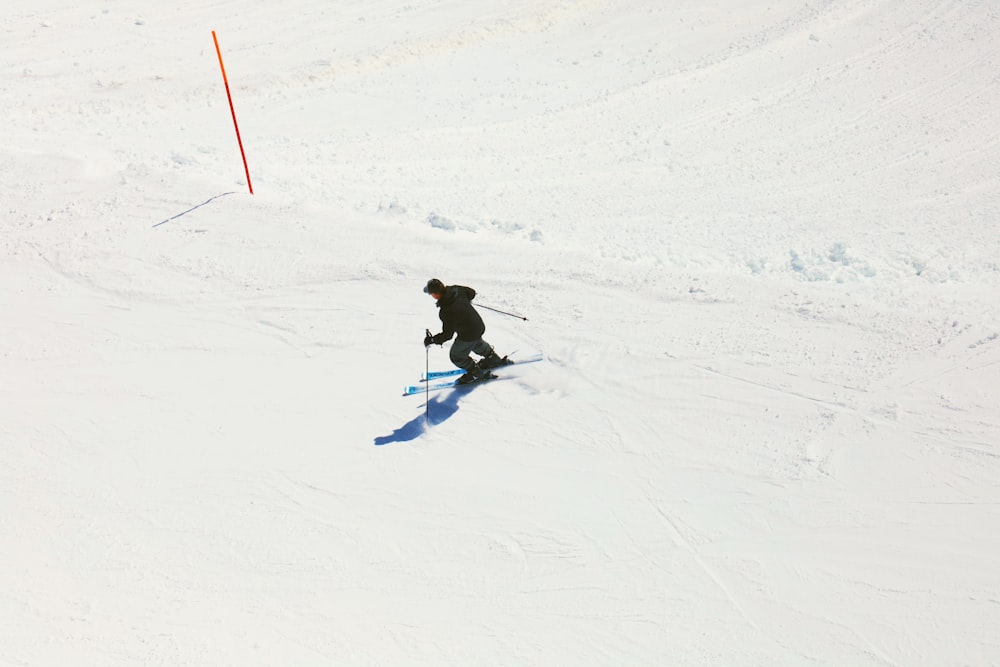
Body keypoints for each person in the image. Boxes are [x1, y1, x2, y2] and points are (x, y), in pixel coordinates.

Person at [422, 278, 506, 384]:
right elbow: (471, 293)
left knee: (456, 355)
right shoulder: (456, 289)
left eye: (431, 294)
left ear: (436, 294)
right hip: (478, 325)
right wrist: (464, 301)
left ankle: (475, 373)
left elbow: (448, 335)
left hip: (468, 332)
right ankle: (492, 358)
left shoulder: (446, 311)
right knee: (475, 342)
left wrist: (432, 340)